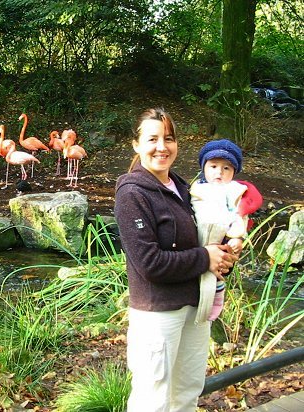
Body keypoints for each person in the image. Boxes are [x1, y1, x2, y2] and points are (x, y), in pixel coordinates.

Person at [114, 108, 238, 412]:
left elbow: (204, 242)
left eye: (168, 139)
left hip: (196, 308)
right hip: (158, 314)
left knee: (187, 391)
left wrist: (224, 255)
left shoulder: (186, 189)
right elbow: (150, 263)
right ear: (136, 144)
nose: (162, 146)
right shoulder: (132, 194)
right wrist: (205, 258)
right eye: (152, 139)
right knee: (153, 398)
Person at [191, 139, 263, 321]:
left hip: (222, 236)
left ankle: (216, 299)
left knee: (220, 271)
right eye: (213, 166)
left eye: (226, 168)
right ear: (204, 167)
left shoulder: (234, 191)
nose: (219, 173)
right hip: (198, 236)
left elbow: (241, 216)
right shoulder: (196, 188)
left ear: (234, 172)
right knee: (198, 271)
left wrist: (237, 237)